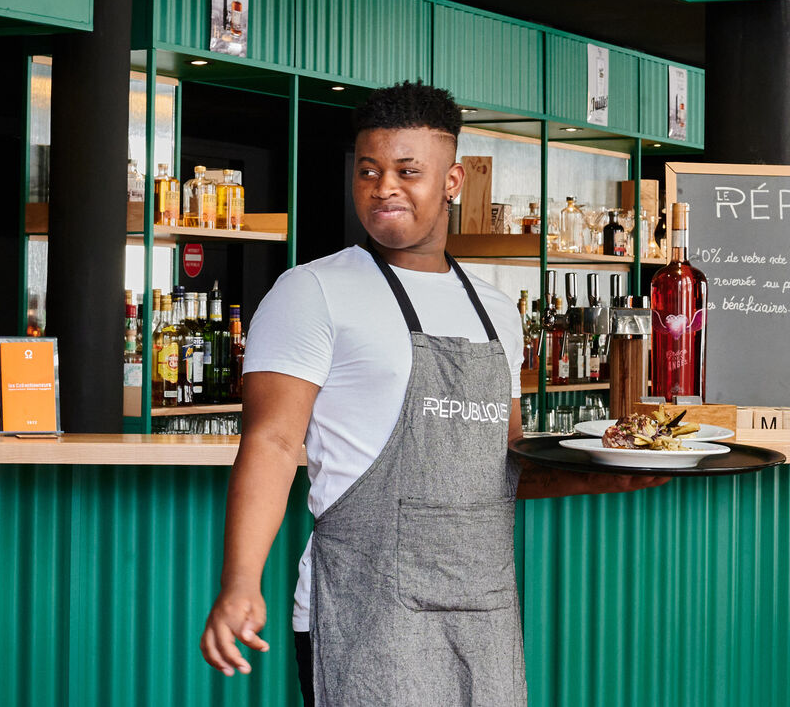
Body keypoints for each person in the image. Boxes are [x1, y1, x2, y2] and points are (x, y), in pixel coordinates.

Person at [200, 81, 662, 706]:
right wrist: (240, 581)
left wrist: (609, 474)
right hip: (367, 611)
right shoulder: (312, 291)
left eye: (407, 171)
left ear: (452, 181)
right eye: (368, 170)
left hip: (484, 613)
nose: (383, 187)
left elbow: (500, 465)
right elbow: (272, 443)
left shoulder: (496, 312)